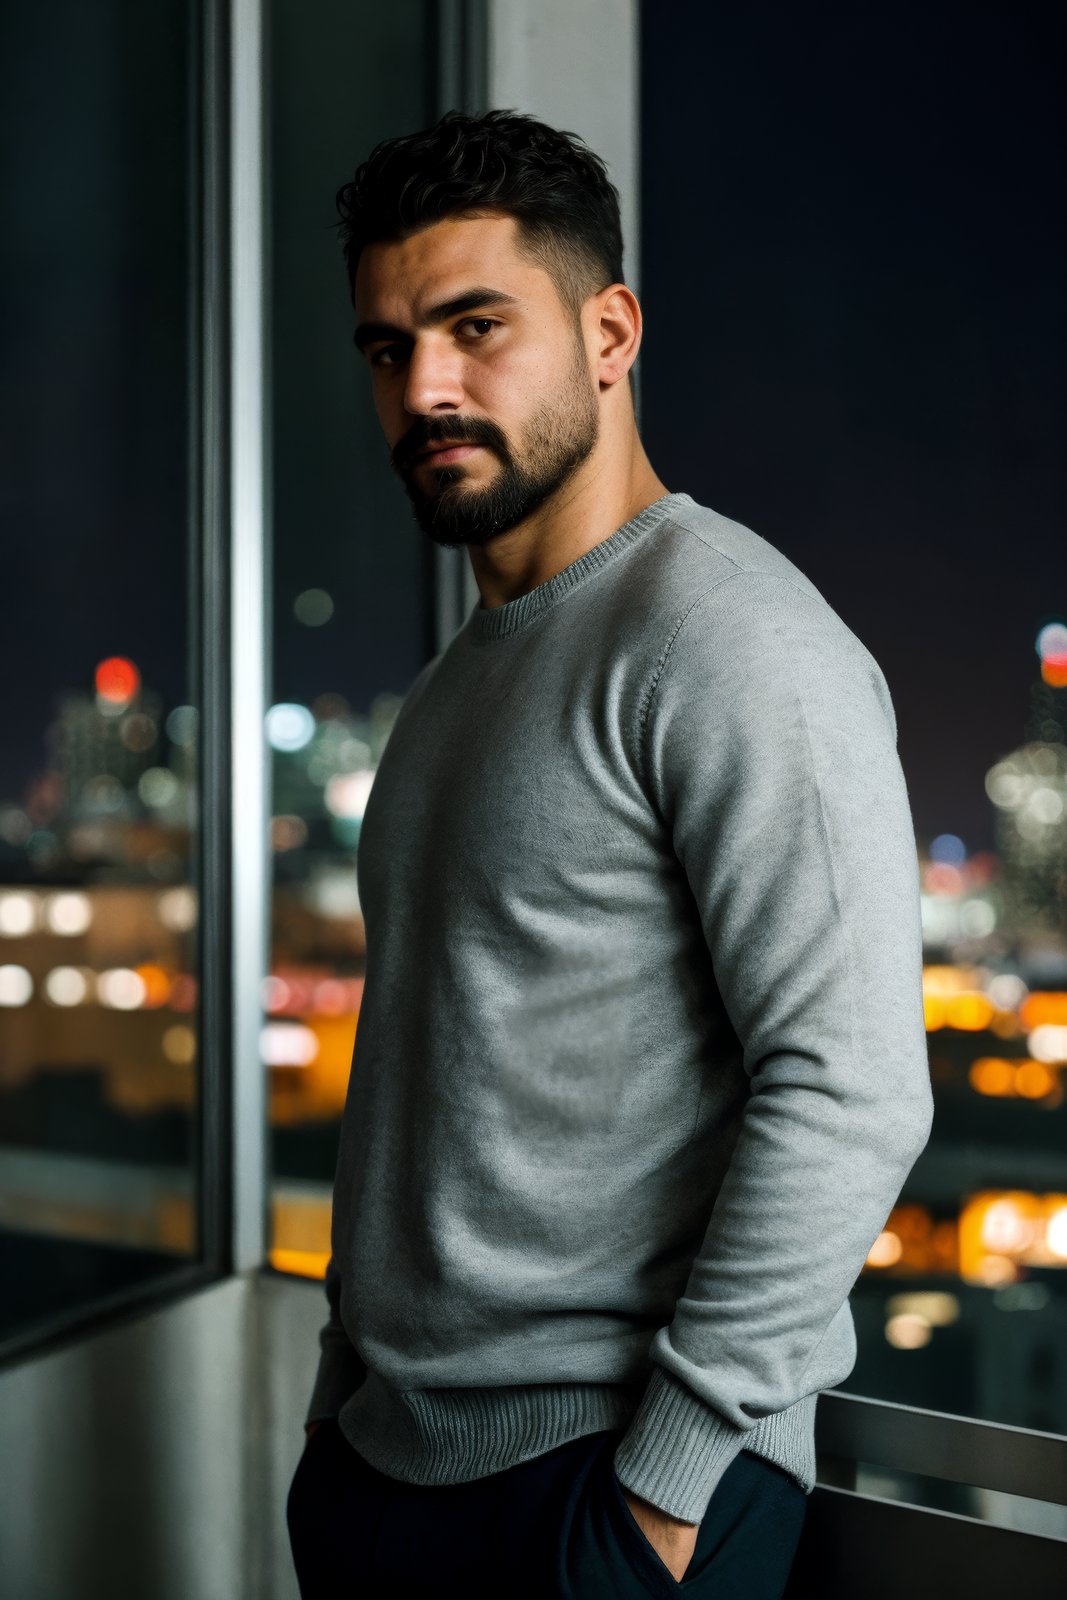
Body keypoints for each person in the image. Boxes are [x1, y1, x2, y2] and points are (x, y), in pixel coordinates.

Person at [286, 108, 934, 1599]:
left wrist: (667, 1486)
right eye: (389, 347)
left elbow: (853, 1090)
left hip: (605, 1497)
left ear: (609, 331)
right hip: (387, 1478)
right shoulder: (461, 685)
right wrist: (340, 1410)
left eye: (474, 325)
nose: (425, 386)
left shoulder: (731, 636)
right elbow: (425, 1080)